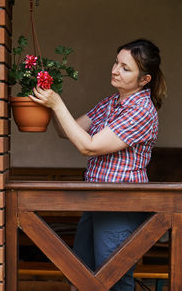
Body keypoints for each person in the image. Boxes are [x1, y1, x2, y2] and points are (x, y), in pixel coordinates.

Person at [30, 39, 167, 290]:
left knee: (113, 279)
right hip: (95, 200)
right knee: (81, 274)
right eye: (117, 62)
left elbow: (88, 146)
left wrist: (57, 103)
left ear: (144, 79)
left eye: (126, 68)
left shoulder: (141, 110)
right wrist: (47, 103)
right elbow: (66, 131)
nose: (115, 70)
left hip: (121, 204)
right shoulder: (110, 103)